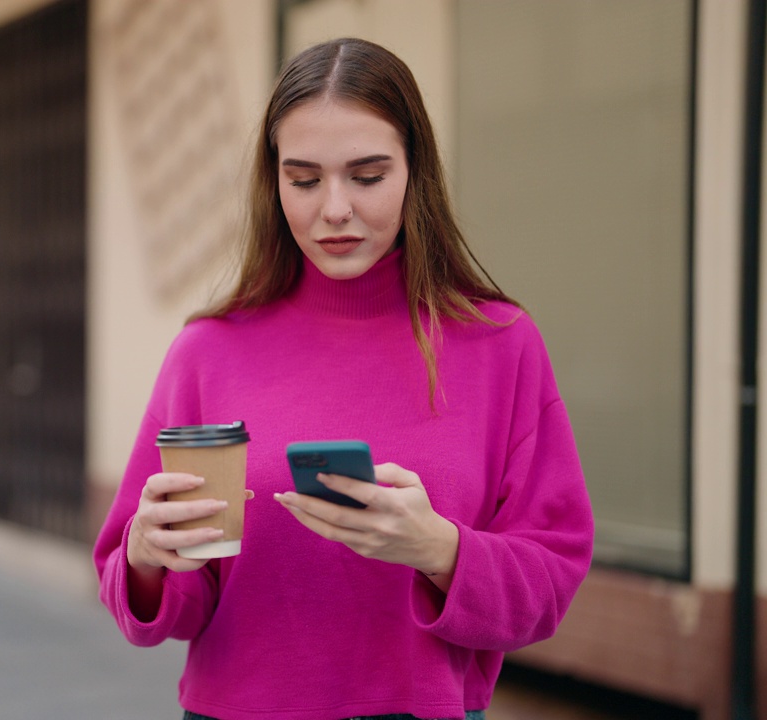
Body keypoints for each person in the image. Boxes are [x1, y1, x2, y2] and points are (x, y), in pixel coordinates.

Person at [92, 37, 594, 720]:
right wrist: (149, 556)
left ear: (415, 171)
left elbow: (551, 582)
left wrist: (439, 550)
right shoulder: (208, 351)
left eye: (367, 175)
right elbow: (160, 599)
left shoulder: (498, 344)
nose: (333, 209)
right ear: (273, 182)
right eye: (303, 179)